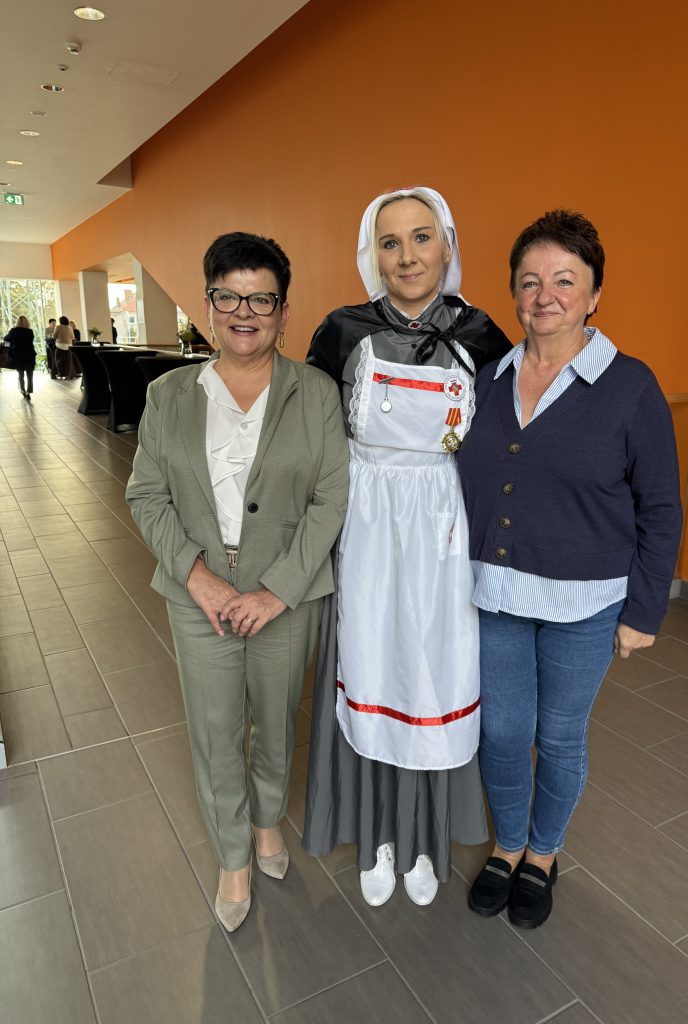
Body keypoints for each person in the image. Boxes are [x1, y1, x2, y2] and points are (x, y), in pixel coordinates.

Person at [457, 210, 682, 929]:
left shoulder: (630, 386)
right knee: (500, 733)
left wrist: (644, 612)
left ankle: (543, 854)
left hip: (585, 605)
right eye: (529, 281)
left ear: (594, 294)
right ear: (514, 293)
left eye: (564, 280)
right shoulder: (486, 379)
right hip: (495, 593)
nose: (544, 295)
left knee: (558, 736)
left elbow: (661, 507)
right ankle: (508, 844)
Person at [126, 232, 348, 932]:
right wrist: (196, 576)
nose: (244, 313)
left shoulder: (315, 393)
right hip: (199, 593)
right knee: (215, 727)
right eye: (229, 297)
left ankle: (267, 821)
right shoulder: (168, 395)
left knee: (277, 720)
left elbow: (331, 500)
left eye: (261, 299)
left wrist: (278, 589)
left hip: (287, 593)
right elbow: (146, 495)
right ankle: (232, 854)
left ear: (283, 312)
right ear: (208, 306)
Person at [303, 186, 510, 907]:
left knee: (432, 672)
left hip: (445, 529)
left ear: (447, 245)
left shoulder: (482, 337)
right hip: (366, 527)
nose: (408, 256)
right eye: (390, 242)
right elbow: (314, 441)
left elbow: (505, 451)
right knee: (373, 666)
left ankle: (425, 839)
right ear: (373, 254)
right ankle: (378, 837)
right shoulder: (342, 331)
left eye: (422, 237)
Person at [4, 316, 36, 400]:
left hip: (18, 356)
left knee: (21, 374)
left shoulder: (13, 331)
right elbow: (30, 341)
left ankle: (23, 390)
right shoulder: (30, 331)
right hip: (30, 355)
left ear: (17, 322)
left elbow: (6, 338)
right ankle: (29, 392)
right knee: (30, 375)